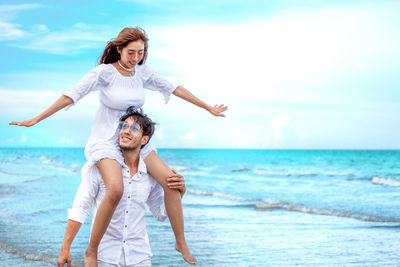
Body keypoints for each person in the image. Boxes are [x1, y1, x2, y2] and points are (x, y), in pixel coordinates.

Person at [9, 27, 227, 265]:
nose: (136, 58)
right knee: (115, 189)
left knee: (170, 181)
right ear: (119, 49)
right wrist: (36, 119)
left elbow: (174, 87)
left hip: (134, 136)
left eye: (140, 53)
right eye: (131, 52)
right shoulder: (104, 73)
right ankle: (92, 250)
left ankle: (180, 241)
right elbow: (72, 95)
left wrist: (208, 108)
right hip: (107, 140)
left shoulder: (143, 73)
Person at [58, 108, 187, 267]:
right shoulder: (100, 169)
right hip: (104, 256)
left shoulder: (149, 175)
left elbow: (161, 213)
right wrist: (66, 247)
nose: (126, 131)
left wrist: (179, 191)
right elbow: (80, 208)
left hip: (140, 256)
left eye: (133, 129)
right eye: (123, 126)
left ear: (144, 140)